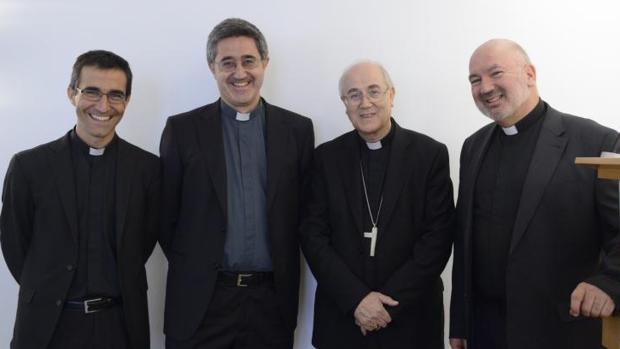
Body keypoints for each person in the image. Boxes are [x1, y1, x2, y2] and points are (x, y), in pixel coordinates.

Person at [450, 39, 620, 349]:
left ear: (530, 74)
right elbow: (465, 240)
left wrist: (609, 283)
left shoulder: (598, 142)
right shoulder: (472, 146)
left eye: (495, 72)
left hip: (561, 331)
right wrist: (460, 323)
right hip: (486, 331)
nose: (485, 87)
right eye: (475, 80)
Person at [159, 18, 314, 349]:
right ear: (212, 67)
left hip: (271, 303)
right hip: (202, 304)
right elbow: (164, 217)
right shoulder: (182, 130)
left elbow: (305, 214)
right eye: (227, 62)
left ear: (265, 64)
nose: (239, 72)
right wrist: (198, 264)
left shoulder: (297, 131)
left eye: (248, 61)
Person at [0, 50, 160, 349]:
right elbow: (14, 244)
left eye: (115, 95)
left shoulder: (147, 169)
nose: (103, 105)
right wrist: (46, 289)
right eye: (92, 92)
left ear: (126, 101)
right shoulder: (28, 166)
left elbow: (143, 243)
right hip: (48, 327)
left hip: (121, 327)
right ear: (72, 94)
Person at [300, 61, 454, 349]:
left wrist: (386, 306)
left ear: (391, 95)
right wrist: (356, 299)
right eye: (354, 95)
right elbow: (312, 236)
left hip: (411, 318)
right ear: (344, 103)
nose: (365, 103)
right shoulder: (326, 159)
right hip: (343, 317)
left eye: (374, 91)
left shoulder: (429, 155)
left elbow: (438, 238)